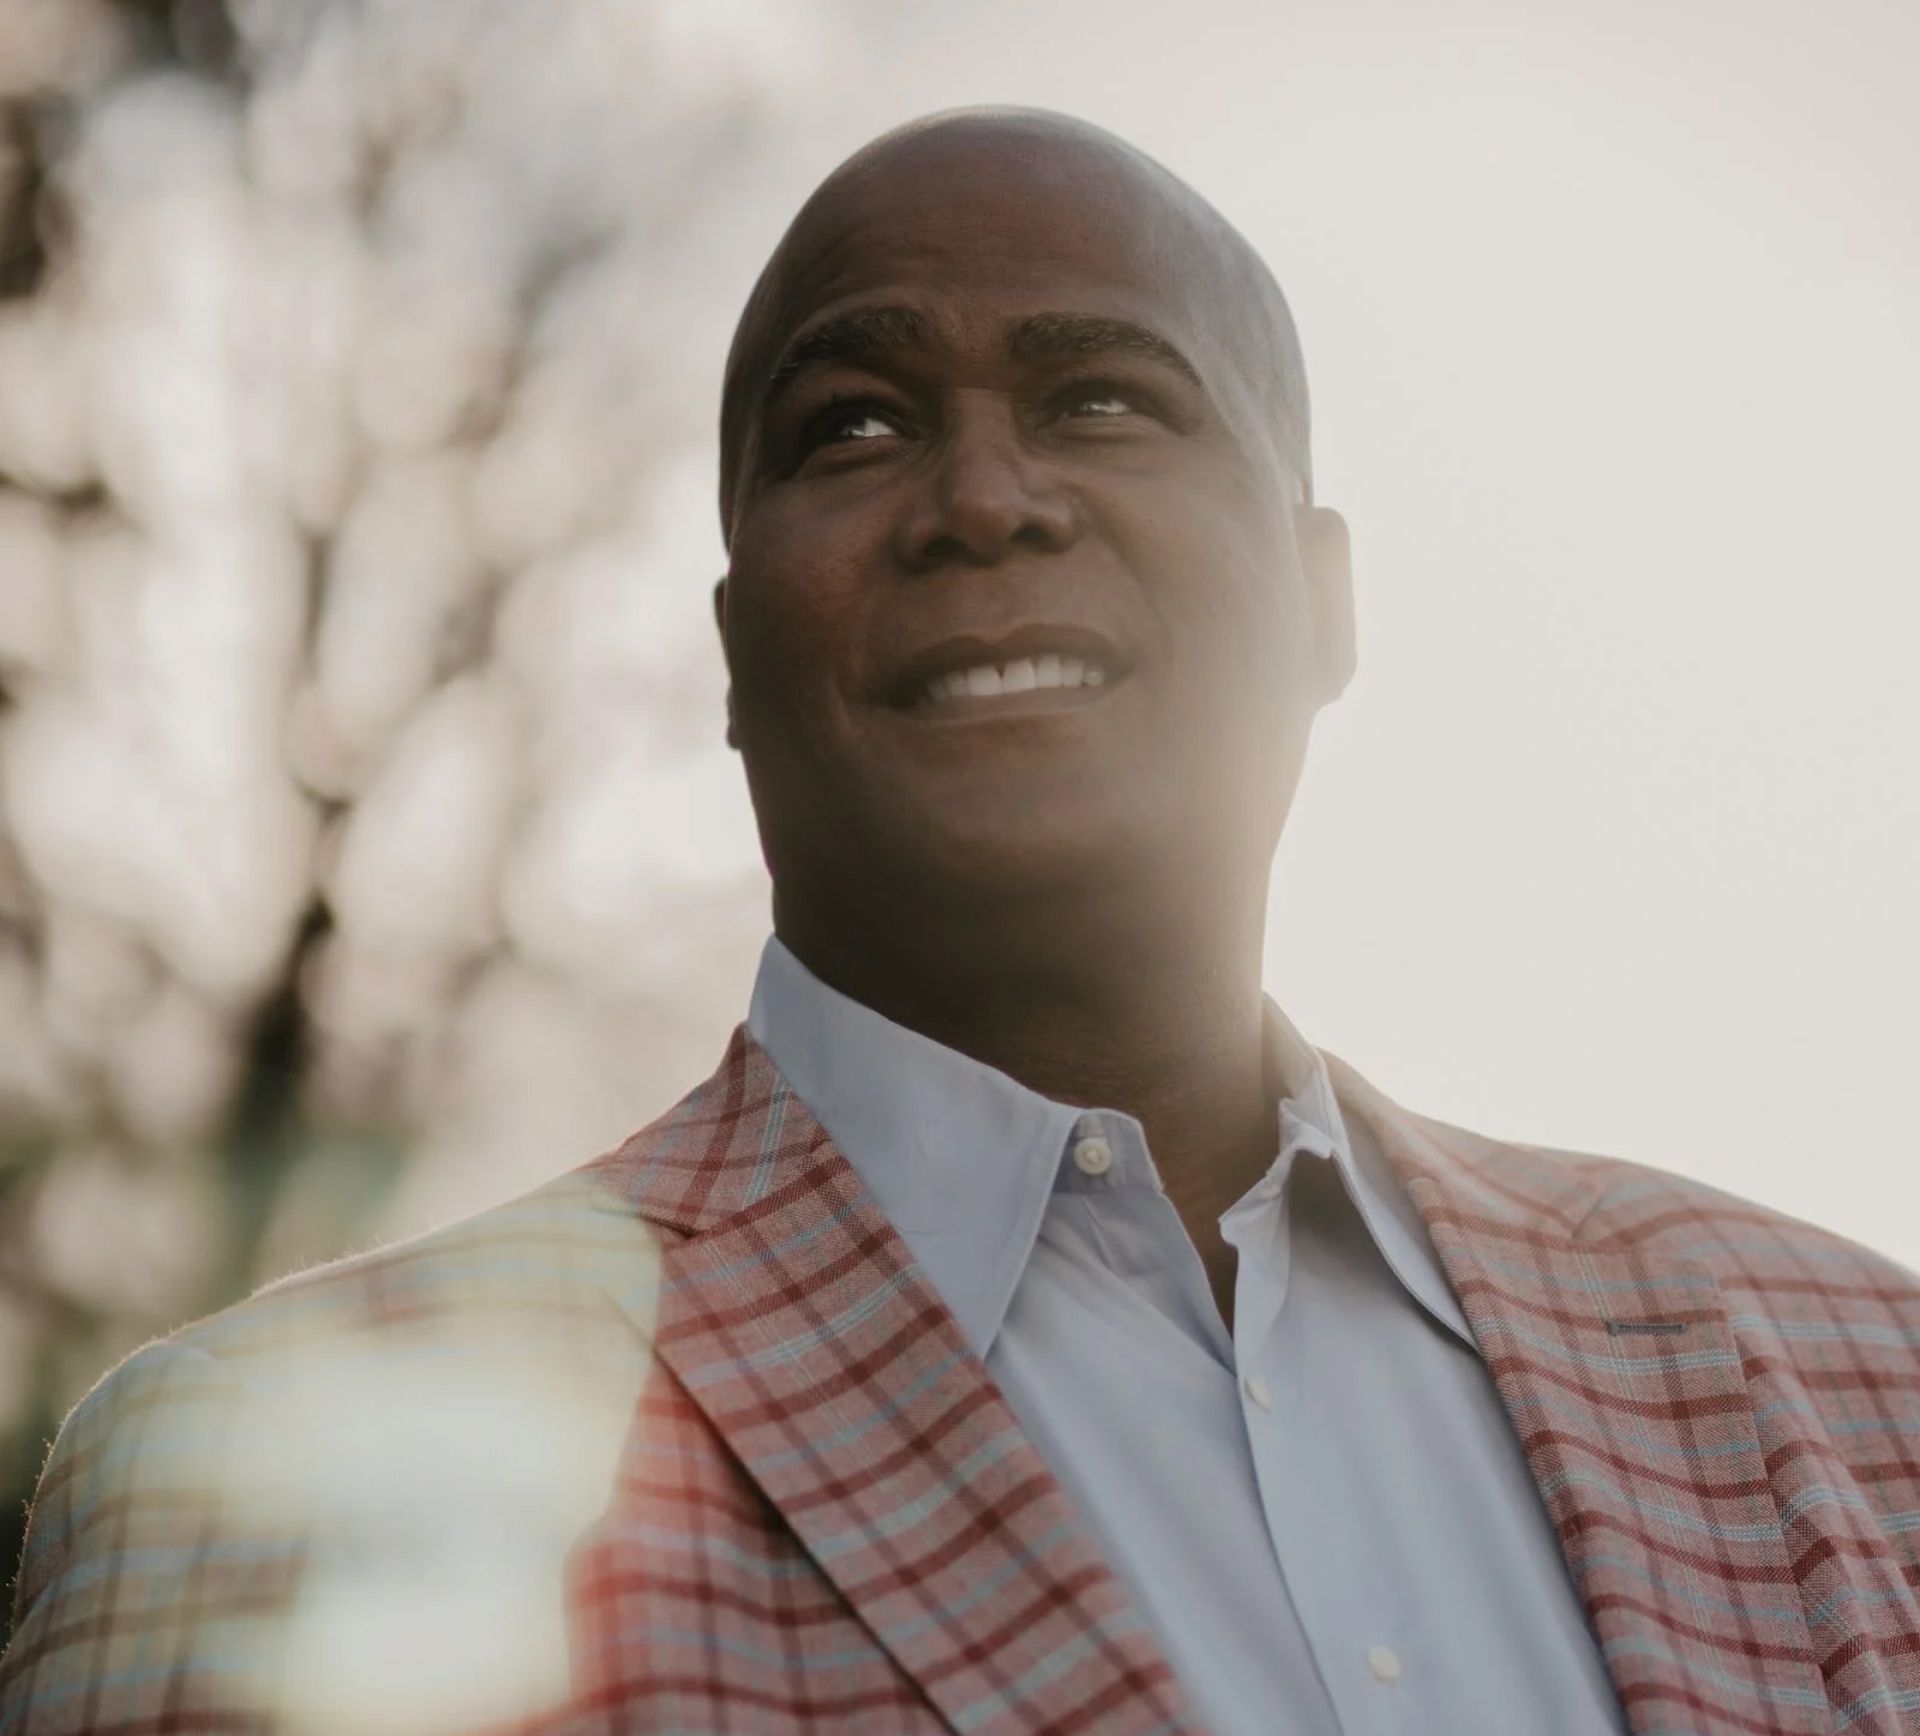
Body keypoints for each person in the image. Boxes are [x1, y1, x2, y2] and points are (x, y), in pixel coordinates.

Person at [3, 107, 1916, 1736]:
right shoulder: (261, 1490)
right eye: (852, 427)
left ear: (1325, 606)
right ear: (739, 649)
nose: (985, 498)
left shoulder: (1861, 1389)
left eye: (1103, 394)